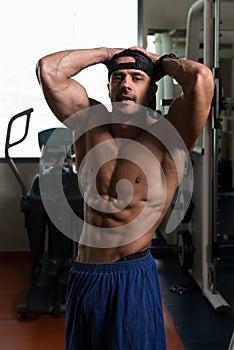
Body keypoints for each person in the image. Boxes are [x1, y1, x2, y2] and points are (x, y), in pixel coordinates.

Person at [36, 46, 214, 349]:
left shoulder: (170, 135)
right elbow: (48, 70)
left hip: (129, 277)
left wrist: (160, 62)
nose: (126, 84)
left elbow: (201, 78)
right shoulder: (88, 124)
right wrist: (108, 53)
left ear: (152, 88)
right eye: (117, 77)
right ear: (108, 87)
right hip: (85, 274)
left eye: (137, 77)